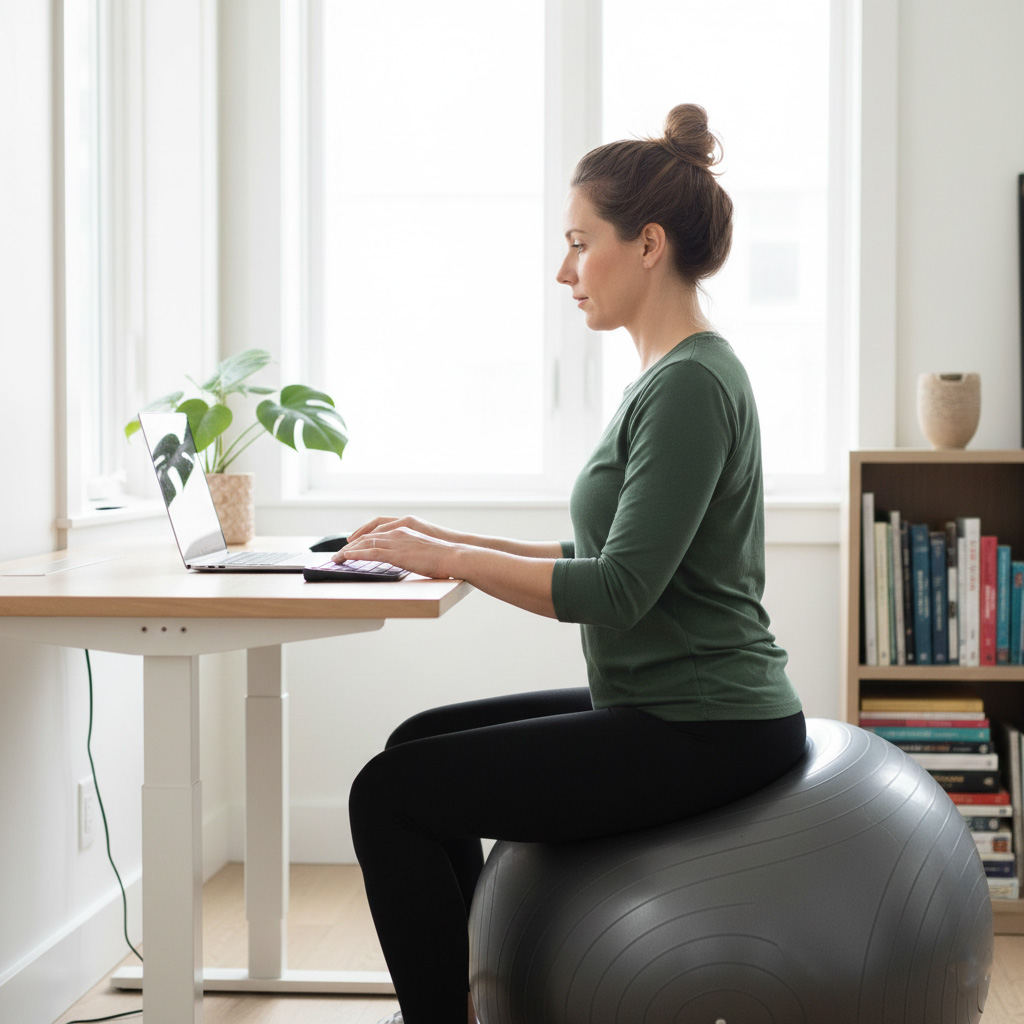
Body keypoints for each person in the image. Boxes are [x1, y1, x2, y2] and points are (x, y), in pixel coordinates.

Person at [336, 103, 806, 1024]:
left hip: (705, 726)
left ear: (647, 246)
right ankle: (467, 996)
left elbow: (619, 591)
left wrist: (450, 554)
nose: (564, 271)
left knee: (386, 797)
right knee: (414, 746)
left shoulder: (691, 388)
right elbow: (603, 554)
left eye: (579, 242)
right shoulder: (673, 378)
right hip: (664, 708)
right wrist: (441, 544)